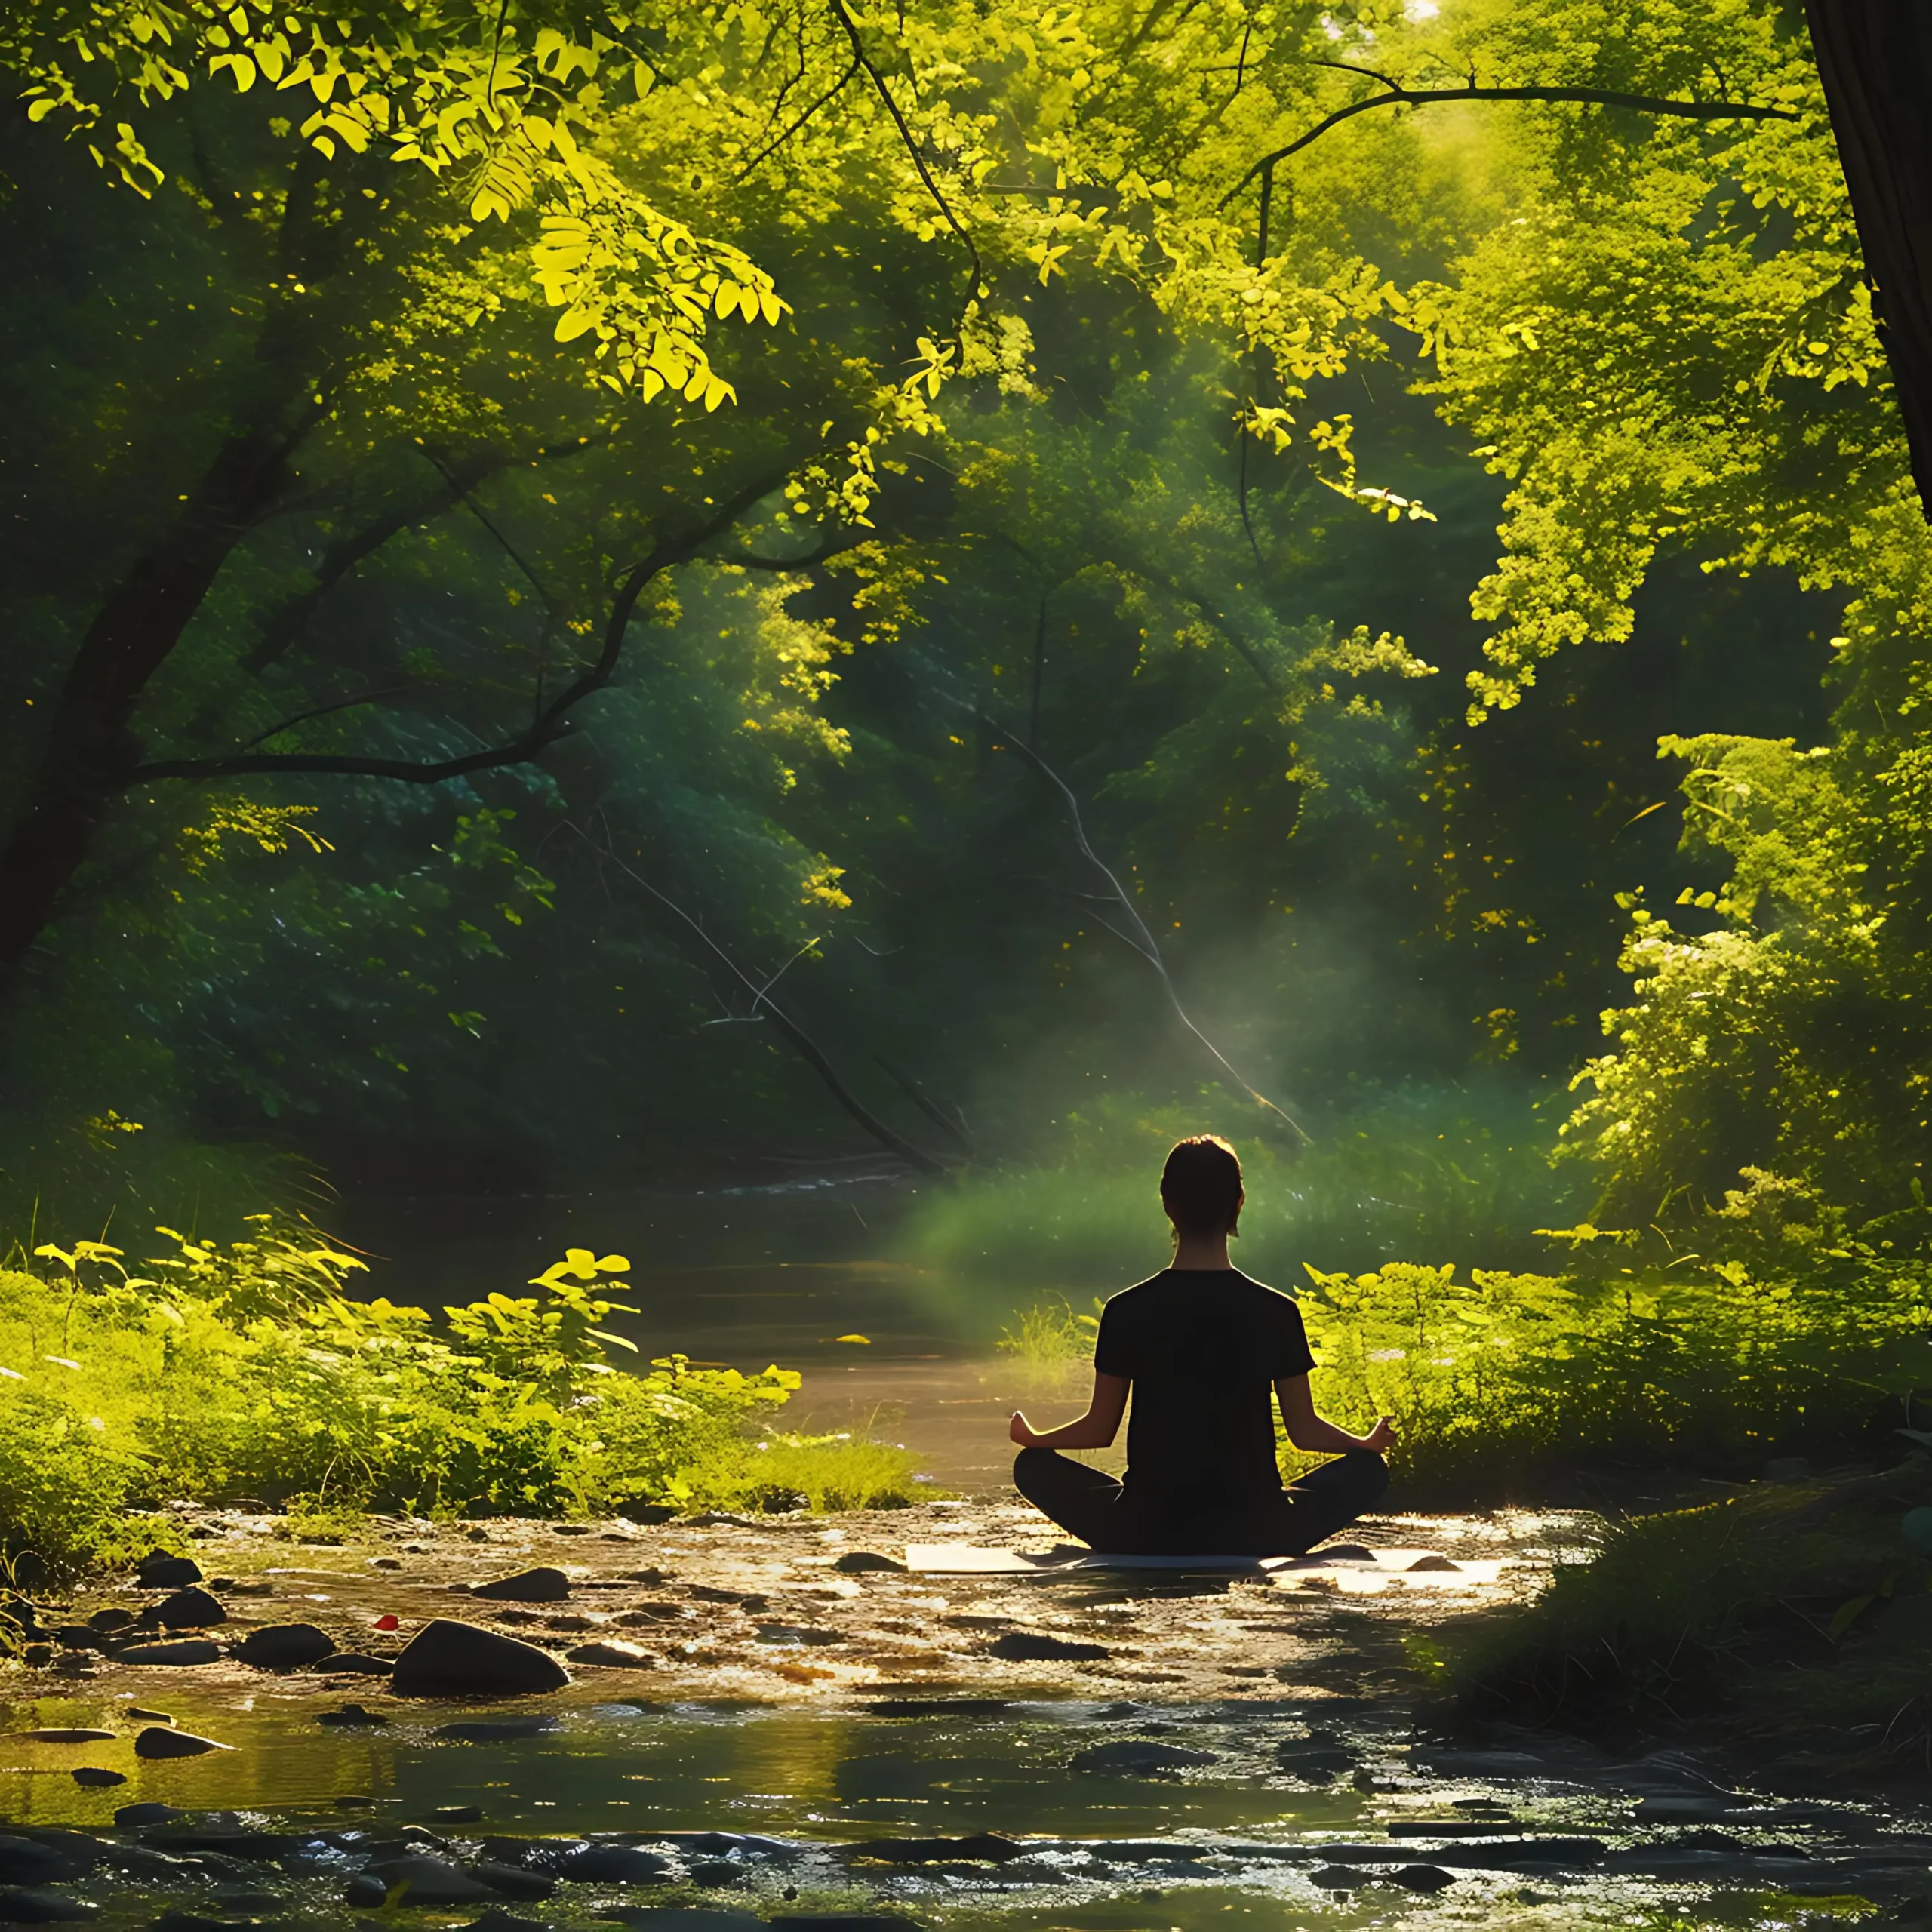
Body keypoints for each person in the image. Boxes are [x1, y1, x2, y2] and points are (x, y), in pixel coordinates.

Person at [1008, 1134, 1393, 1555]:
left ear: (1167, 1204)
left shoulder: (1127, 1310)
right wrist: (1364, 1444)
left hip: (1143, 1531)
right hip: (1260, 1530)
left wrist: (1036, 1438)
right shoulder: (1276, 1311)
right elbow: (1304, 1431)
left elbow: (1099, 1430)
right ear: (1239, 1203)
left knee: (1033, 1466)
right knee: (1368, 1471)